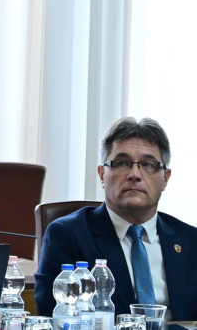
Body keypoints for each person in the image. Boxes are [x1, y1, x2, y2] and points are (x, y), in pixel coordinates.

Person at [34, 117, 197, 320]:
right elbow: (54, 318)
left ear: (165, 178)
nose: (134, 174)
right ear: (102, 174)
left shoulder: (190, 241)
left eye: (148, 164)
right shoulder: (69, 236)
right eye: (121, 163)